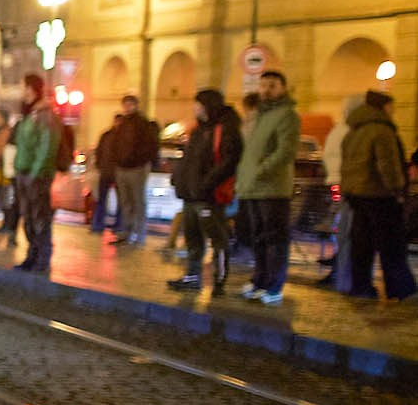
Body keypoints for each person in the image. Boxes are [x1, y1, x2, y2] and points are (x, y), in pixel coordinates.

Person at [339, 89, 413, 306]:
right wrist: (398, 190)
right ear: (383, 107)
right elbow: (388, 165)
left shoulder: (353, 131)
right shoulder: (382, 130)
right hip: (380, 196)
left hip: (356, 195)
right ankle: (399, 289)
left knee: (361, 244)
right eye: (392, 107)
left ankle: (360, 287)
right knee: (391, 245)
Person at [167, 88, 242, 296]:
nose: (195, 108)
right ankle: (192, 276)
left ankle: (219, 281)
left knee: (217, 238)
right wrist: (179, 179)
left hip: (209, 196)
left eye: (198, 104)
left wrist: (207, 183)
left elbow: (229, 161)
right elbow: (190, 158)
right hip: (191, 194)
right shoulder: (199, 130)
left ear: (207, 105)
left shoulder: (225, 128)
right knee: (193, 238)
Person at [235, 69, 301, 305]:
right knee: (259, 238)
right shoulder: (259, 116)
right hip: (253, 187)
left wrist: (261, 170)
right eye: (263, 85)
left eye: (272, 85)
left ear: (283, 88)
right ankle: (259, 280)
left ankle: (275, 286)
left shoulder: (287, 115)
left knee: (275, 239)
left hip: (273, 188)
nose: (266, 90)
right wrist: (246, 177)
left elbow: (286, 151)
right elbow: (250, 152)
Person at [11, 73, 61, 273]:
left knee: (40, 217)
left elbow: (46, 146)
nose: (21, 91)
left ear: (31, 88)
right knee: (28, 217)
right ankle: (31, 255)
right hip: (24, 171)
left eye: (23, 86)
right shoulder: (28, 114)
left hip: (37, 174)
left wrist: (36, 171)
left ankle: (42, 258)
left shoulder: (45, 114)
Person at [111, 95, 160, 246]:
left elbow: (150, 145)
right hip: (122, 167)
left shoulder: (142, 124)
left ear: (135, 105)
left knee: (138, 201)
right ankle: (127, 232)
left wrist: (142, 160)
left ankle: (139, 234)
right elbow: (115, 144)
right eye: (125, 104)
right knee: (125, 202)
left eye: (130, 104)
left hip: (137, 167)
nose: (127, 107)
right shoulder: (122, 124)